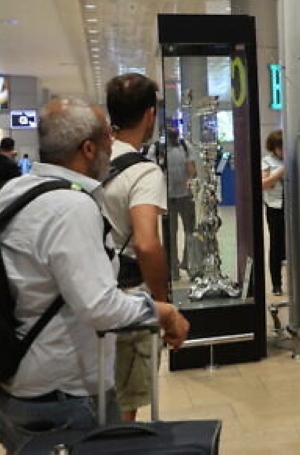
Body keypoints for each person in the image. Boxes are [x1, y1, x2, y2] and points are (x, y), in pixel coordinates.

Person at [0, 98, 189, 454]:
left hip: (13, 385)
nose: (113, 144)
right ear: (88, 148)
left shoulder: (14, 192)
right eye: (106, 137)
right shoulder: (70, 207)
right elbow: (100, 307)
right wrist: (163, 311)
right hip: (63, 396)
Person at [102, 73, 169, 422]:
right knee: (125, 402)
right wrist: (161, 302)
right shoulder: (143, 172)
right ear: (149, 115)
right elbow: (145, 243)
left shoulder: (90, 158)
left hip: (89, 291)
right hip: (128, 295)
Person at [157, 129, 199, 280]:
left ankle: (188, 263)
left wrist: (190, 169)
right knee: (171, 234)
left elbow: (193, 171)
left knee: (190, 232)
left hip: (185, 196)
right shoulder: (158, 149)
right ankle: (173, 268)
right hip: (167, 198)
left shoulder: (185, 146)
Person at [261, 129, 286, 295]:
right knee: (276, 245)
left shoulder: (291, 158)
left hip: (291, 207)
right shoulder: (267, 161)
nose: (282, 151)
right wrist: (279, 173)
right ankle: (276, 283)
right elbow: (264, 184)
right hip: (275, 207)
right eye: (279, 147)